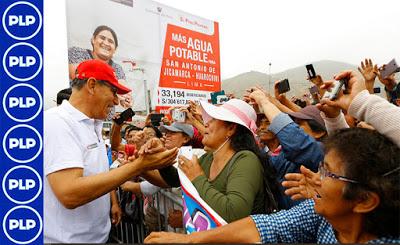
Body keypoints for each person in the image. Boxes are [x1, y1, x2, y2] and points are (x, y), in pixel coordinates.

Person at [145, 128, 400, 244]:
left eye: (328, 173)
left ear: (365, 200)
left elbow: (236, 211)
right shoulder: (321, 215)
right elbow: (263, 226)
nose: (314, 179)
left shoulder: (246, 160)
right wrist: (192, 240)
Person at [44, 59, 178, 243]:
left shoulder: (92, 125)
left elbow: (99, 175)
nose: (116, 100)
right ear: (92, 85)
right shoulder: (57, 122)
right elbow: (69, 193)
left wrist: (149, 163)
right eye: (113, 92)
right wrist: (138, 166)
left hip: (99, 237)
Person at [158, 99, 280, 222]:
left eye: (213, 119)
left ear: (231, 129)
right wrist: (159, 157)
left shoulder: (246, 160)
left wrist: (197, 177)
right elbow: (176, 179)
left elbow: (233, 213)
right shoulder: (208, 158)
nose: (205, 124)